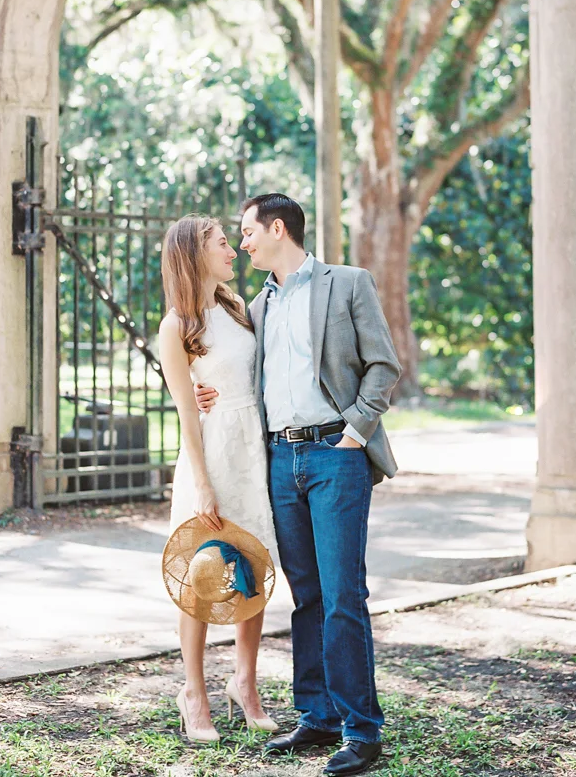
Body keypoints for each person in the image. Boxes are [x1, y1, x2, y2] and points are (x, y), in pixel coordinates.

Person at [195, 193, 400, 776]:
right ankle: (317, 717)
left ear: (276, 228)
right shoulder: (253, 308)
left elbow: (383, 365)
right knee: (305, 596)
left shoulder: (348, 283)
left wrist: (356, 434)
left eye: (247, 232)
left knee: (342, 595)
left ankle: (362, 730)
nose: (242, 244)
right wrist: (206, 392)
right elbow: (227, 365)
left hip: (337, 454)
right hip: (280, 461)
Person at [159, 215, 279, 743]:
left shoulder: (238, 309)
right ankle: (194, 692)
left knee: (254, 565)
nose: (234, 250)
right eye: (223, 243)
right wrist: (203, 482)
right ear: (194, 253)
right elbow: (187, 411)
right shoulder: (176, 326)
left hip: (254, 449)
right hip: (212, 454)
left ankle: (245, 683)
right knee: (203, 576)